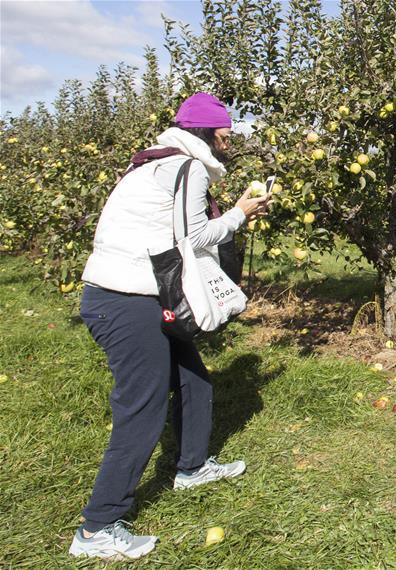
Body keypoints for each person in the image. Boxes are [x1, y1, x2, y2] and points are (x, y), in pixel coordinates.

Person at [69, 92, 270, 560]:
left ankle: (192, 467)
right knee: (143, 408)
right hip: (127, 300)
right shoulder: (188, 167)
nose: (229, 141)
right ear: (208, 133)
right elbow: (193, 239)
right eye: (226, 134)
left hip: (129, 294)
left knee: (193, 379)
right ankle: (98, 527)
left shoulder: (154, 162)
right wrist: (240, 215)